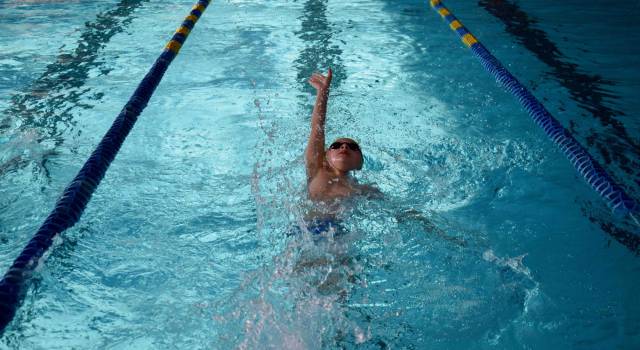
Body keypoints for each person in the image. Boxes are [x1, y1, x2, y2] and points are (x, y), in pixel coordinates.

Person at [305, 68, 381, 204]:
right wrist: (323, 92)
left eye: (353, 147)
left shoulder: (364, 190)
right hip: (306, 225)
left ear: (360, 163)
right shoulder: (316, 170)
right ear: (325, 155)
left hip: (339, 226)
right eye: (336, 146)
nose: (344, 146)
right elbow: (317, 130)